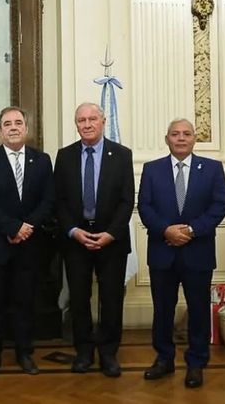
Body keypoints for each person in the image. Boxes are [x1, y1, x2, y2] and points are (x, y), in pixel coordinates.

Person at [138, 118, 225, 388]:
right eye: (175, 134)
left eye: (186, 134)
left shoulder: (212, 169)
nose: (180, 138)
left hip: (197, 252)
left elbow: (218, 206)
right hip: (162, 252)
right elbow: (145, 206)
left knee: (198, 310)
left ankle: (196, 364)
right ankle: (164, 359)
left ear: (194, 139)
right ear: (166, 139)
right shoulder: (152, 169)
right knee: (162, 310)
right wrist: (166, 230)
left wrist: (190, 230)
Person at [53, 102, 134, 378]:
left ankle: (108, 353)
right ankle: (84, 352)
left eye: (92, 119)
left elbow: (127, 200)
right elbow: (59, 201)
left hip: (112, 239)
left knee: (111, 299)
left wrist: (110, 233)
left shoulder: (121, 155)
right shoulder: (65, 156)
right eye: (81, 120)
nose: (86, 124)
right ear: (76, 124)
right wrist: (73, 231)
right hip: (76, 238)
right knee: (79, 298)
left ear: (103, 121)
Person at [0, 107, 54, 377]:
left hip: (30, 245)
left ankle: (24, 352)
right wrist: (11, 228)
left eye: (18, 122)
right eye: (7, 124)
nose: (13, 127)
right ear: (0, 131)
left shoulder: (41, 160)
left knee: (25, 302)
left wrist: (26, 227)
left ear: (26, 129)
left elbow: (48, 199)